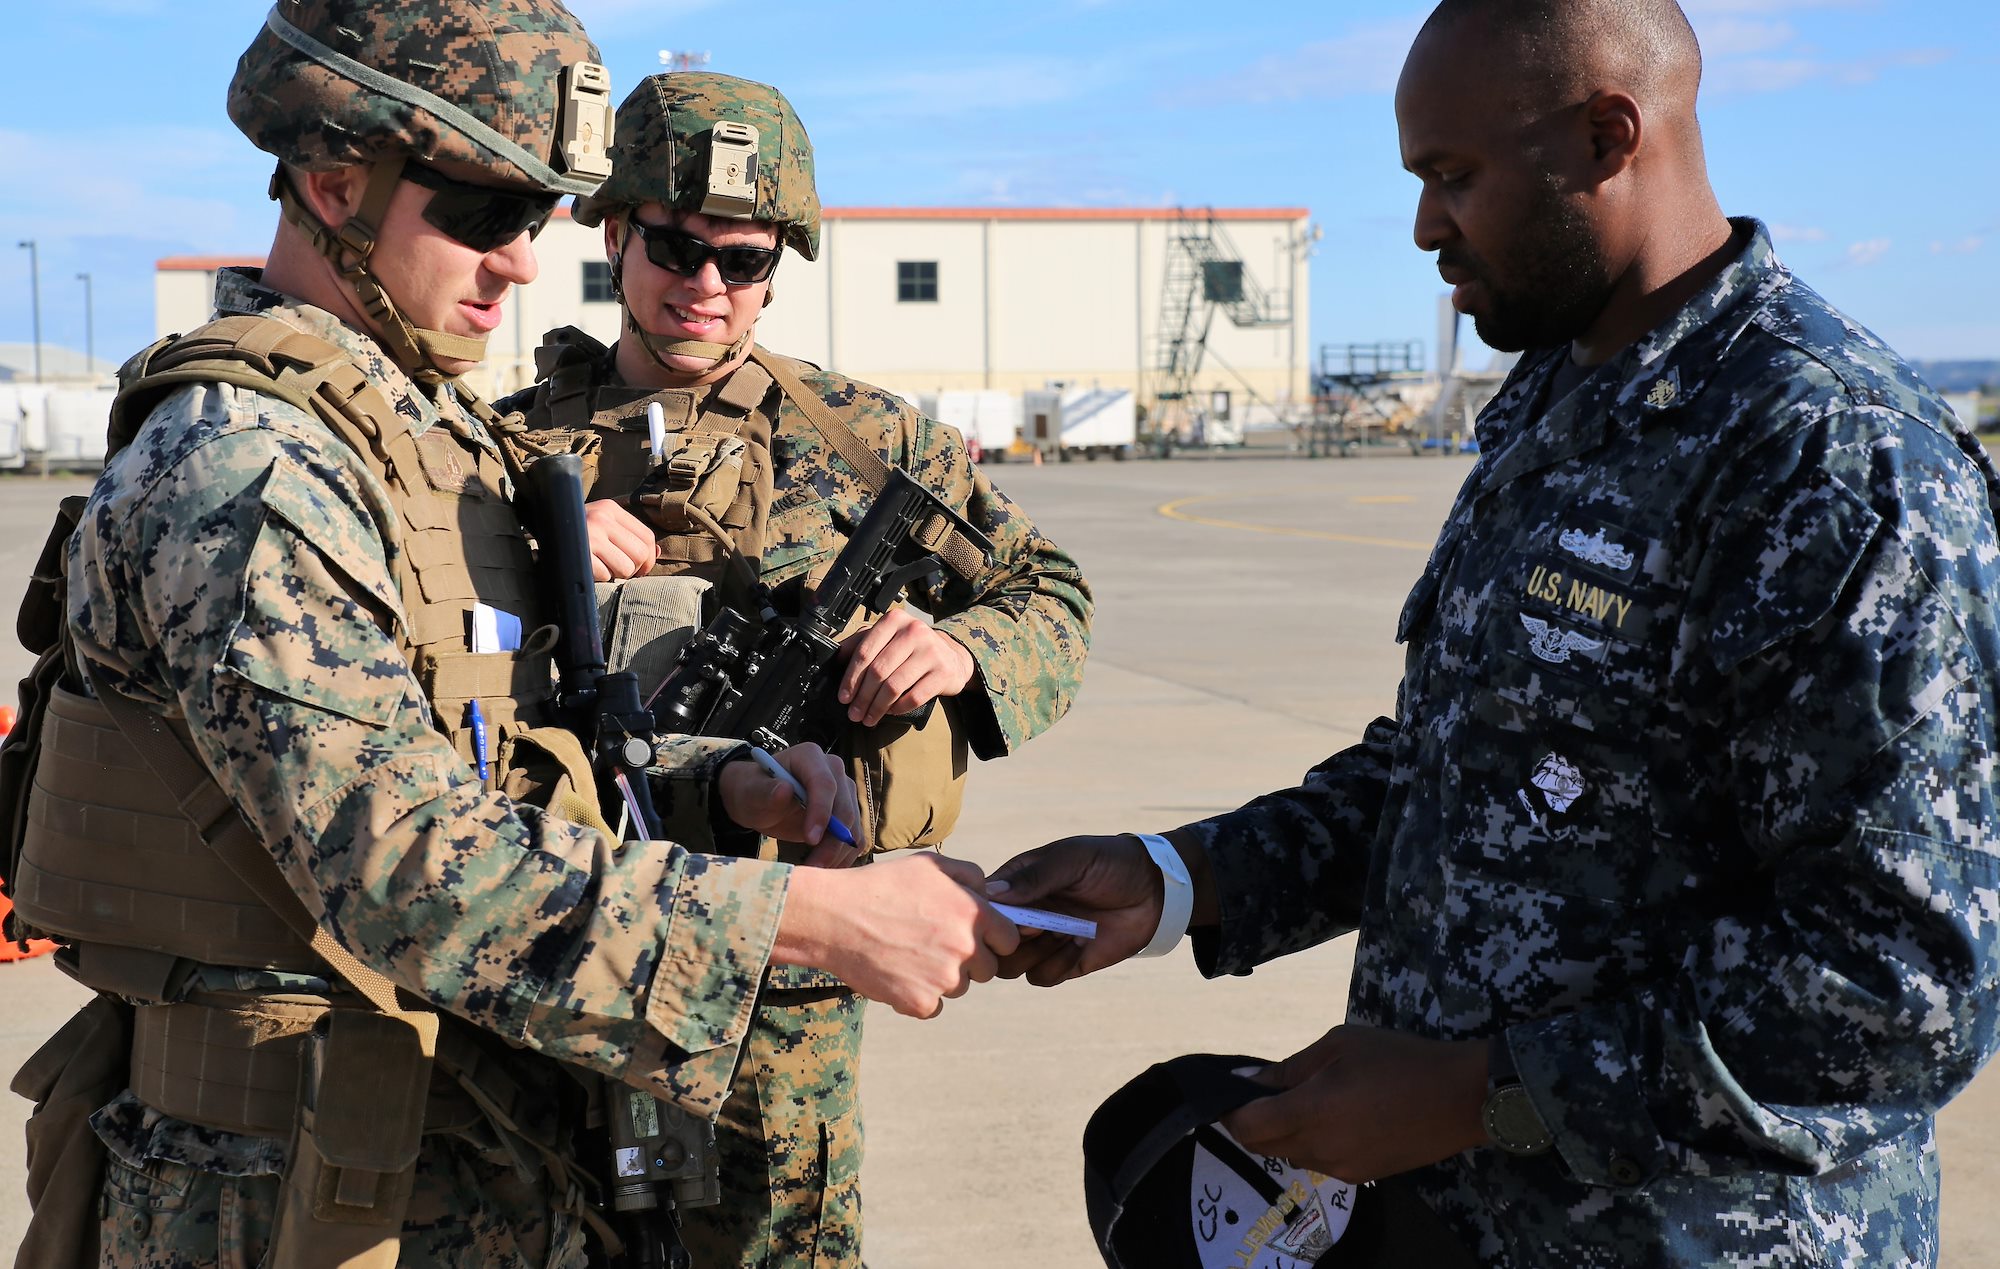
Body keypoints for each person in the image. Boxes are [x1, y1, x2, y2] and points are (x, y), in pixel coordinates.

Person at [5, 5, 1017, 1267]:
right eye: (484, 216)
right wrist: (802, 925)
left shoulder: (425, 437)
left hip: (458, 1156)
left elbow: (510, 764)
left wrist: (722, 784)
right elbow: (408, 865)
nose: (523, 263)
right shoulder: (250, 467)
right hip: (277, 1195)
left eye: (536, 219)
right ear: (334, 186)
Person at [992, 2, 2000, 1265]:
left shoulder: (1824, 460)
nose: (1422, 228)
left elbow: (1895, 988)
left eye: (1452, 178)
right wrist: (1180, 880)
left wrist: (1475, 1094)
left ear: (1603, 135)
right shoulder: (1554, 398)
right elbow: (1458, 775)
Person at [497, 71, 1094, 1267]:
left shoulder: (868, 442)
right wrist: (528, 555)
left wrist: (960, 647)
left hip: (787, 997)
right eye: (673, 244)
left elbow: (1052, 593)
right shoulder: (505, 449)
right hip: (569, 959)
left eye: (745, 258)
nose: (705, 283)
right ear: (612, 232)